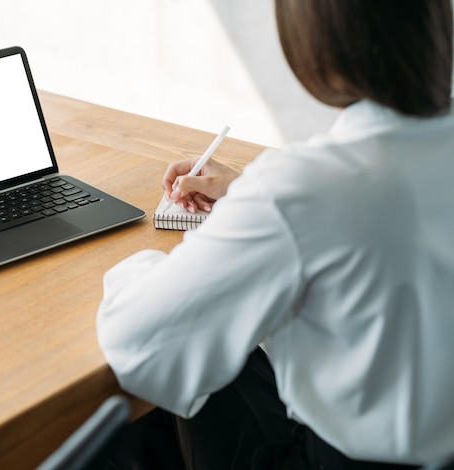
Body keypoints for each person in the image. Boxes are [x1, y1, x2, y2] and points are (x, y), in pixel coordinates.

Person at [94, 0, 454, 468]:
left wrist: (143, 267)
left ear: (314, 40)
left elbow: (139, 341)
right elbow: (389, 208)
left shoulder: (302, 188)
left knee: (164, 400)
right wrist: (252, 189)